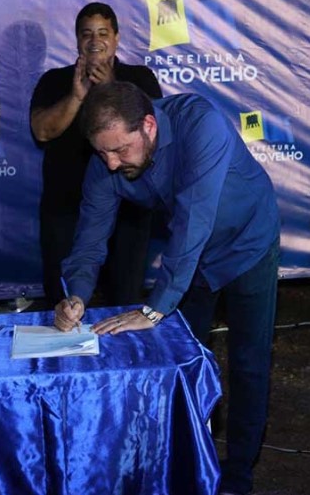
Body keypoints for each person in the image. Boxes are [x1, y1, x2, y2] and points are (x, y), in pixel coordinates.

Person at [55, 81, 280, 495]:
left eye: (120, 150)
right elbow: (89, 240)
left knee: (248, 362)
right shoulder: (108, 157)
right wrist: (76, 295)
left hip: (247, 243)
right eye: (102, 153)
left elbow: (194, 221)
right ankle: (190, 457)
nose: (111, 164)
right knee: (182, 361)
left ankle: (238, 474)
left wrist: (154, 308)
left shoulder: (201, 124)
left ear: (149, 125)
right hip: (191, 259)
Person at [30, 2, 162, 307]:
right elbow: (42, 131)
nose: (95, 40)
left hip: (129, 207)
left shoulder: (139, 78)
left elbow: (153, 132)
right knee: (64, 299)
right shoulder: (54, 81)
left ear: (116, 38)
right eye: (87, 33)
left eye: (103, 33)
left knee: (125, 297)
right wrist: (77, 97)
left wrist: (110, 88)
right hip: (66, 208)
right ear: (77, 39)